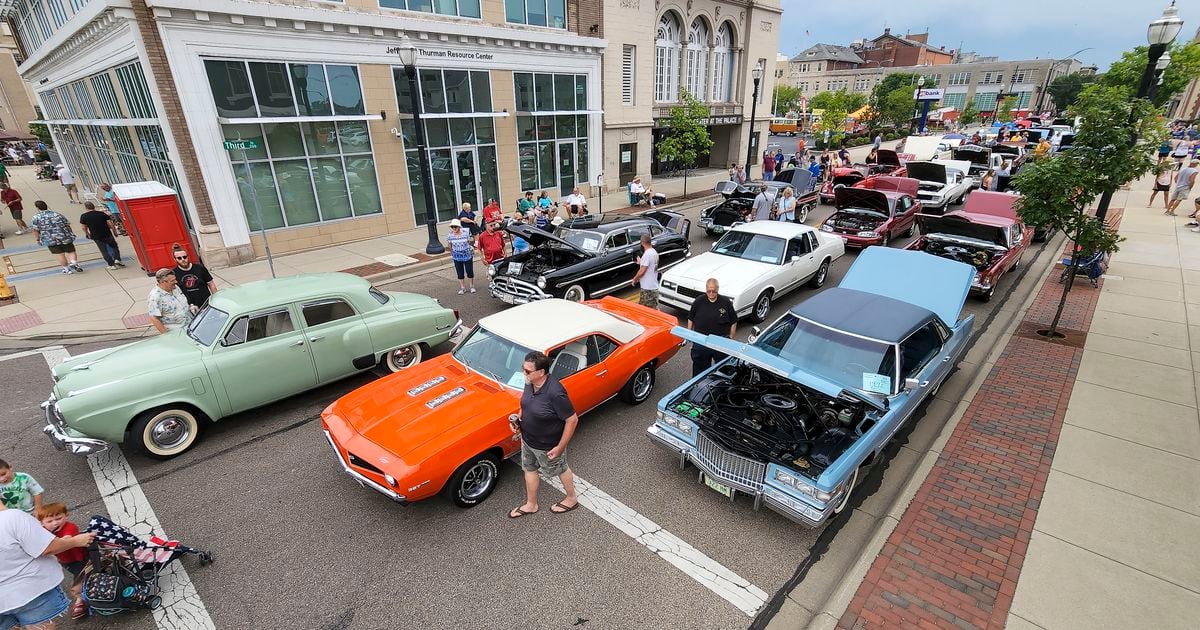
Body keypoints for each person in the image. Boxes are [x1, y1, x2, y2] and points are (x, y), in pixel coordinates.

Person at [0, 500, 95, 630]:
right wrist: (76, 541)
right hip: (32, 591)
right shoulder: (11, 518)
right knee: (41, 626)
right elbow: (46, 547)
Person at [507, 351, 580, 519]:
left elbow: (572, 420)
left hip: (548, 445)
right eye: (523, 368)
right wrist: (519, 421)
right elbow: (525, 404)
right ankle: (531, 504)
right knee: (529, 469)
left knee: (561, 469)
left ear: (541, 372)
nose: (523, 373)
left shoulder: (555, 393)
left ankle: (571, 499)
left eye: (527, 371)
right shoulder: (529, 382)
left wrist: (560, 447)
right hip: (528, 440)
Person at [36, 503, 88, 620]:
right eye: (50, 521)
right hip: (65, 562)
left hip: (79, 558)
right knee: (82, 575)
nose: (55, 523)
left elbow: (66, 540)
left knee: (80, 577)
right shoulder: (43, 531)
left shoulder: (70, 527)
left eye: (59, 518)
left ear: (66, 515)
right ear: (42, 523)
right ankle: (88, 592)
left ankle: (79, 600)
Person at [687, 278, 736, 376]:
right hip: (701, 341)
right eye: (709, 291)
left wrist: (731, 338)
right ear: (706, 289)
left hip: (720, 341)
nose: (711, 293)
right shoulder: (699, 301)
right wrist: (690, 336)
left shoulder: (725, 302)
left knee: (724, 369)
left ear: (718, 289)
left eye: (714, 291)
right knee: (700, 371)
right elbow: (690, 318)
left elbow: (734, 320)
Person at [30, 201, 83, 275]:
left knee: (60, 254)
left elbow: (35, 230)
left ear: (38, 208)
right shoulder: (57, 214)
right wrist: (70, 233)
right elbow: (67, 225)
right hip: (64, 236)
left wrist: (38, 239)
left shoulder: (36, 217)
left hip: (50, 239)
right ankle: (73, 262)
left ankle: (67, 269)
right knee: (71, 251)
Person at [79, 202, 125, 270]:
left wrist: (87, 233)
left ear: (86, 208)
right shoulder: (102, 214)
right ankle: (117, 259)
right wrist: (114, 232)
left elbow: (83, 227)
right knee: (114, 246)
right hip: (107, 234)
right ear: (93, 206)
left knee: (104, 250)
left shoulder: (84, 216)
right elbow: (110, 224)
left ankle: (111, 265)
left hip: (96, 236)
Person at [147, 268, 192, 333]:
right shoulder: (155, 297)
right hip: (176, 332)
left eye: (175, 279)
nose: (176, 282)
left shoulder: (175, 287)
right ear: (162, 282)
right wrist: (166, 335)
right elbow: (154, 318)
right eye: (172, 281)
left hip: (190, 326)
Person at [447, 219, 476, 294]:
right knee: (460, 272)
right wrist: (452, 252)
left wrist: (470, 247)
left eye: (455, 227)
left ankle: (471, 286)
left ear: (459, 227)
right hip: (457, 256)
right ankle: (462, 288)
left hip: (467, 255)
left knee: (469, 271)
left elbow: (470, 241)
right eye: (452, 227)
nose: (454, 228)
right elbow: (449, 245)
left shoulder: (465, 233)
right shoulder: (450, 235)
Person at [630, 233, 659, 308]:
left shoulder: (647, 254)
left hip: (647, 289)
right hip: (653, 286)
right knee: (653, 309)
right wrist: (641, 261)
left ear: (642, 243)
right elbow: (650, 266)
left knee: (645, 310)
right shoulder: (654, 252)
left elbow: (642, 271)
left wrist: (635, 279)